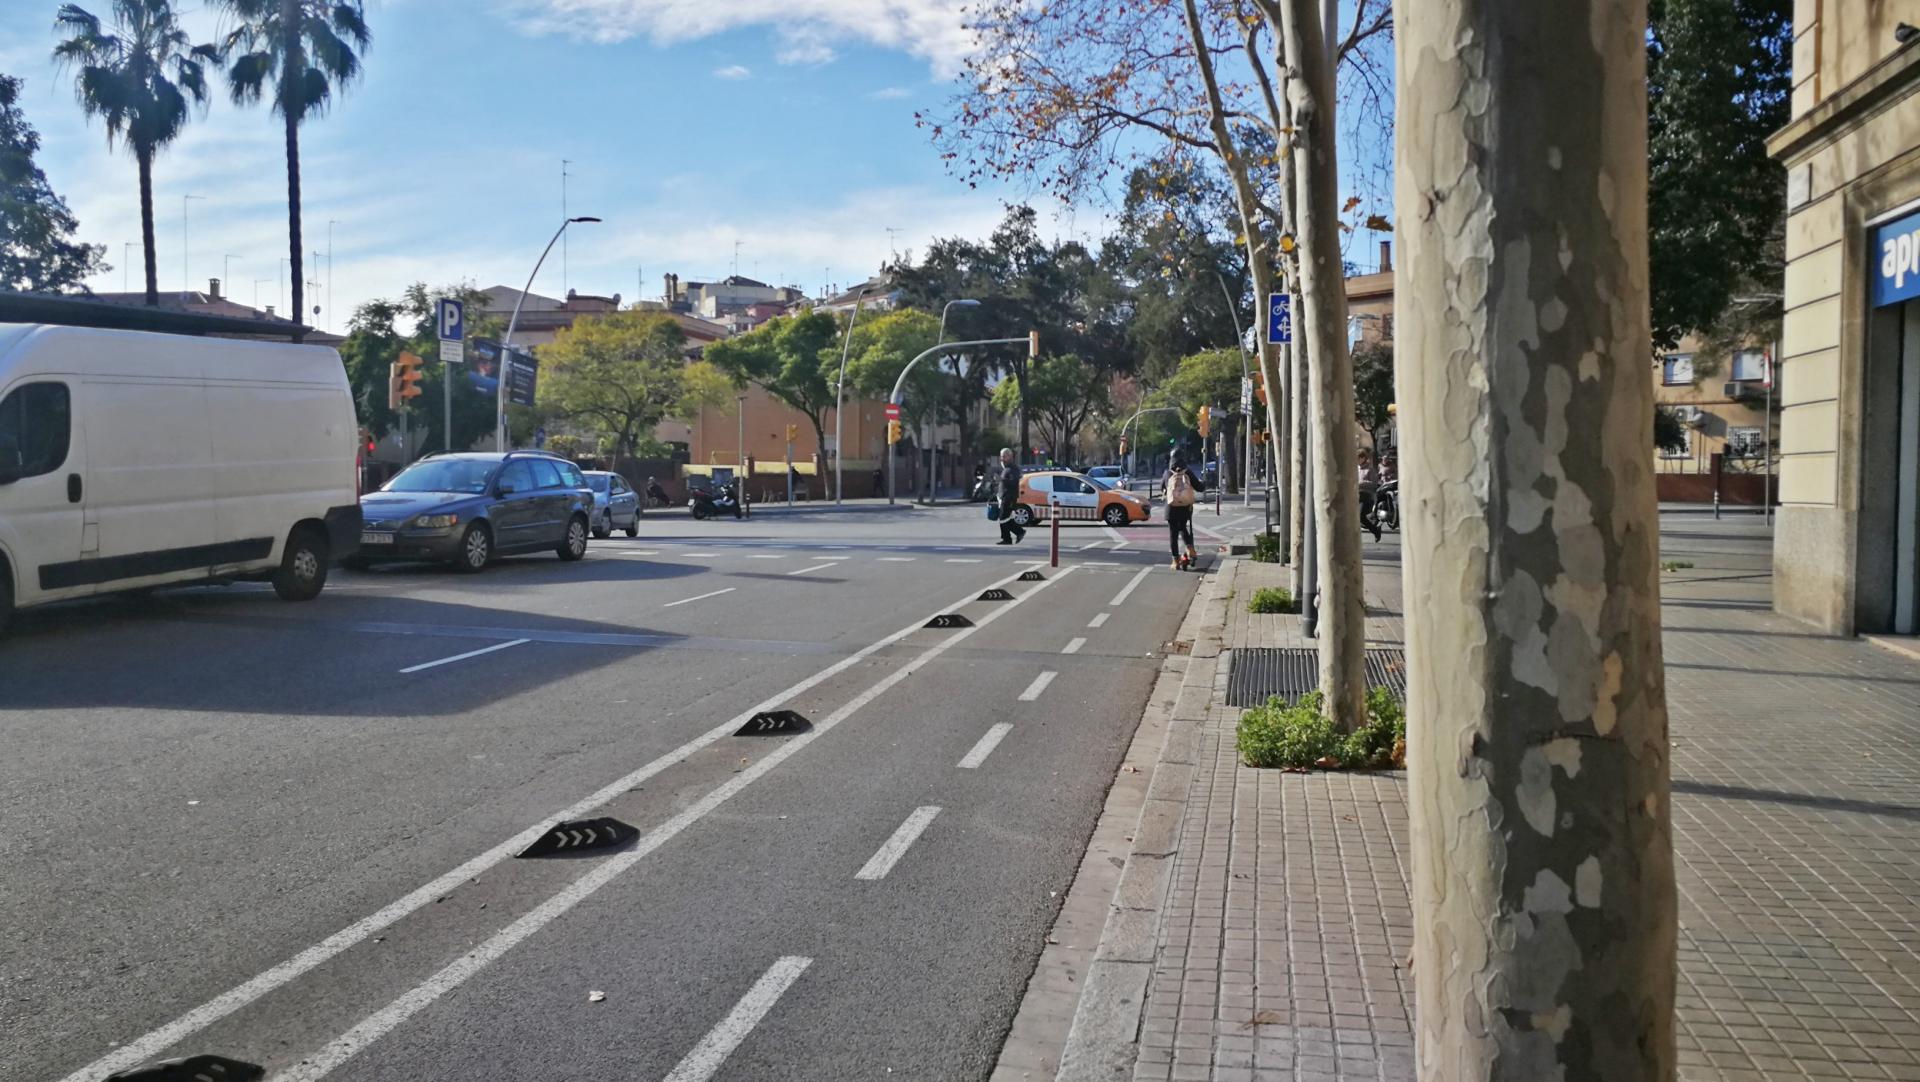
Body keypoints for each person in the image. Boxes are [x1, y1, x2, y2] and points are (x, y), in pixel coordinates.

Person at [1165, 454, 1199, 569]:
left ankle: (1175, 561)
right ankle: (1190, 548)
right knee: (1183, 527)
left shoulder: (1167, 473)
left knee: (1173, 534)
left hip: (1171, 508)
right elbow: (1200, 487)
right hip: (1185, 507)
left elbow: (1162, 487)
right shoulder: (1187, 473)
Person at [995, 447, 1026, 545]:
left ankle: (1019, 532)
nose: (1002, 459)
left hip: (1010, 497)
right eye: (1001, 457)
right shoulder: (1006, 468)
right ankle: (1007, 538)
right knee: (1005, 518)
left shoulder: (1013, 468)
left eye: (1004, 456)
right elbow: (1004, 482)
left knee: (1003, 517)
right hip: (1004, 496)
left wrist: (1001, 479)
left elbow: (1013, 482)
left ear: (1010, 456)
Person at [1358, 448, 1383, 542]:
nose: (1357, 460)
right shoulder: (1356, 469)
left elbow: (1373, 483)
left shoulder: (1370, 470)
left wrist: (1361, 483)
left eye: (1358, 458)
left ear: (1363, 458)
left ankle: (1376, 531)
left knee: (1361, 516)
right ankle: (1375, 530)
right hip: (1356, 495)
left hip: (1366, 495)